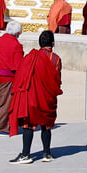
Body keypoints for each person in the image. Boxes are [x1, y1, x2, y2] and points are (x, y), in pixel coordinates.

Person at [8, 31, 63, 163]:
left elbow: (21, 76)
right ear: (53, 43)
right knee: (47, 125)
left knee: (28, 125)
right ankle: (47, 153)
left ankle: (26, 154)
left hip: (32, 96)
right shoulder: (56, 59)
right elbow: (57, 80)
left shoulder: (30, 57)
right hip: (47, 96)